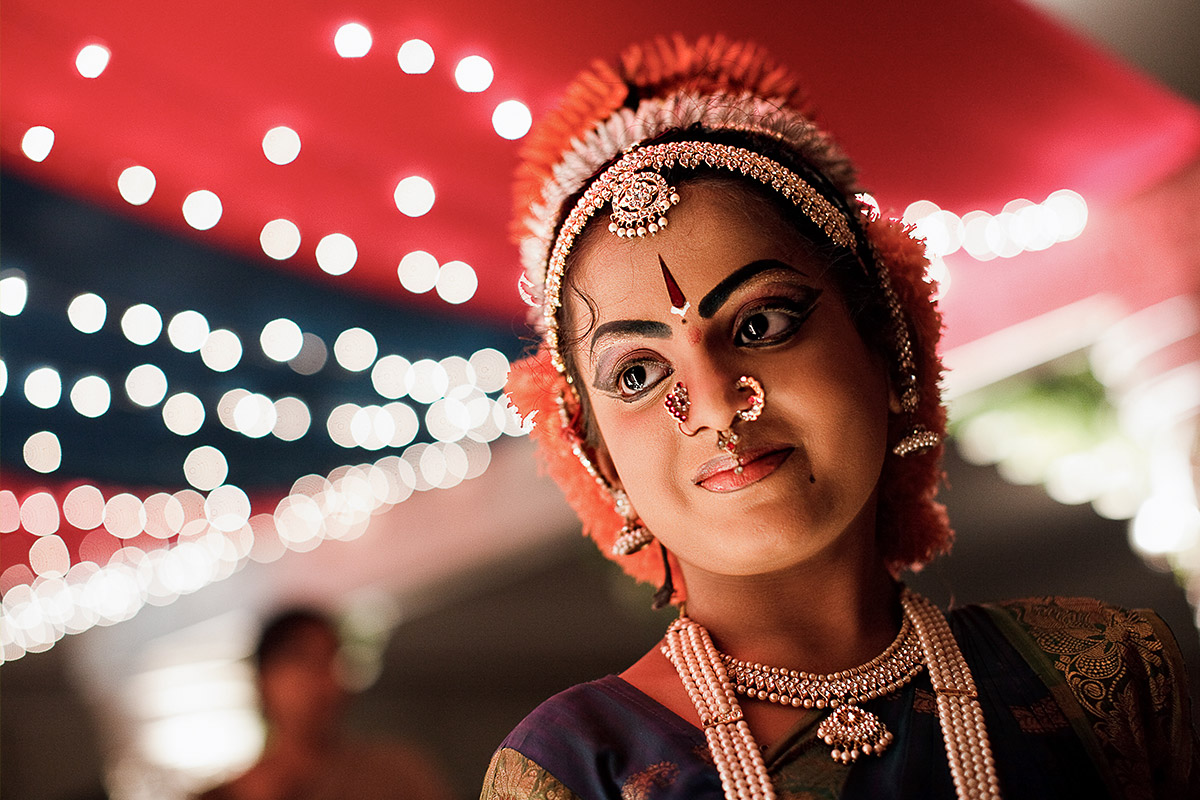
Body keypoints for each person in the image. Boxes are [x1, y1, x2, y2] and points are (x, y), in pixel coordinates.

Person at [480, 35, 1199, 800]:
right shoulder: (576, 771)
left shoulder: (1101, 680)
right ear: (596, 457)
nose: (717, 404)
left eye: (762, 324)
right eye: (638, 374)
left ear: (888, 348)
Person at [198, 608, 453, 800]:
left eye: (329, 661)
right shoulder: (228, 795)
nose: (322, 681)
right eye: (302, 661)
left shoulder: (396, 774)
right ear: (264, 679)